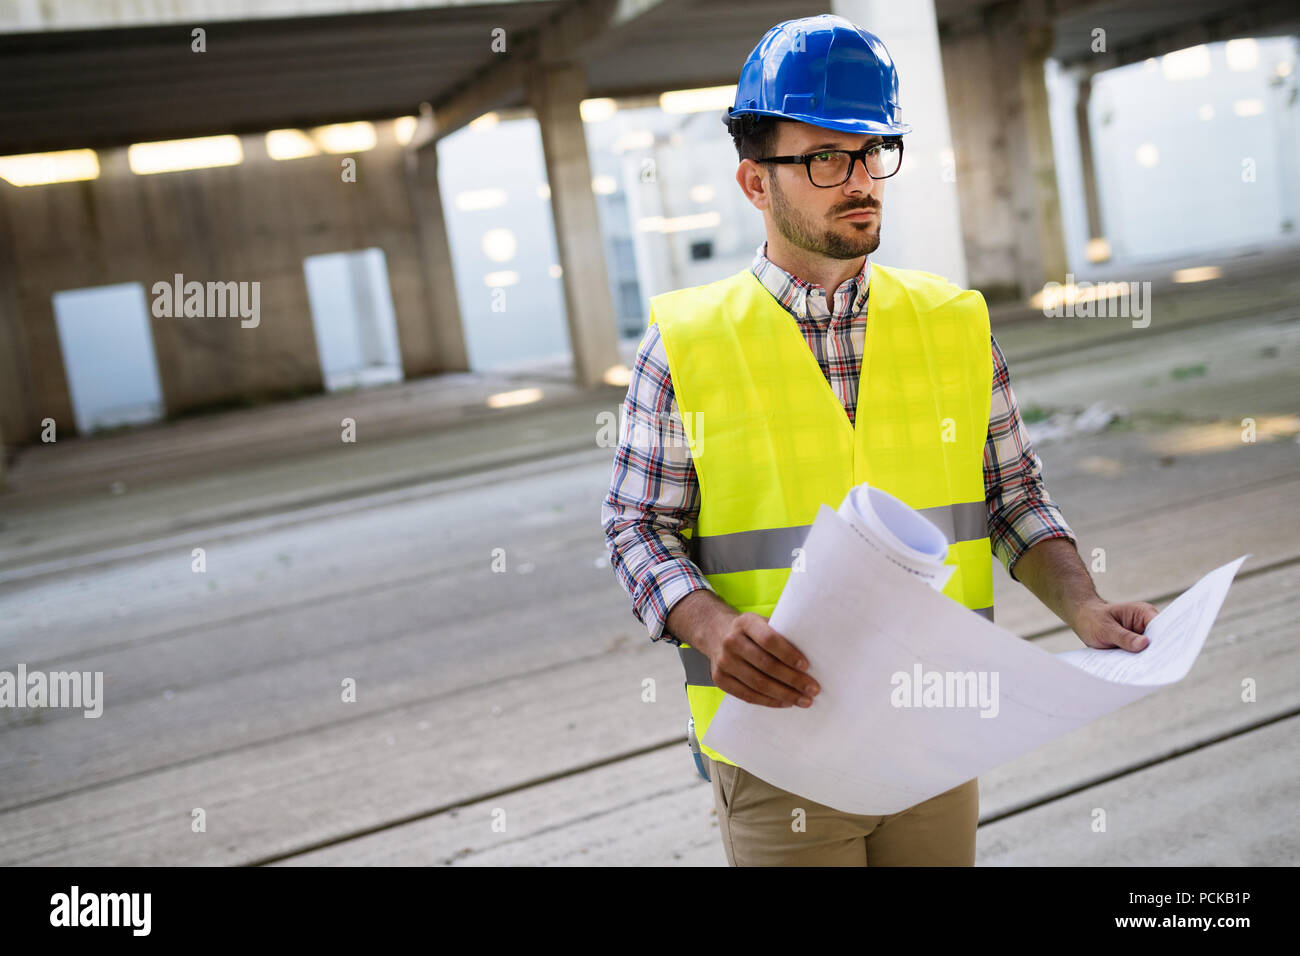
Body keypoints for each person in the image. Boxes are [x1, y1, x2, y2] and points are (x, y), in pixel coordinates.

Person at [600, 13, 1158, 866]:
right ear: (756, 182)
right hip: (780, 748)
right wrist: (710, 626)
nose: (859, 179)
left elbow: (1013, 500)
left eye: (872, 151)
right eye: (825, 157)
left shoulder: (954, 323)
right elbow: (637, 527)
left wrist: (1083, 605)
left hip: (933, 733)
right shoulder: (685, 345)